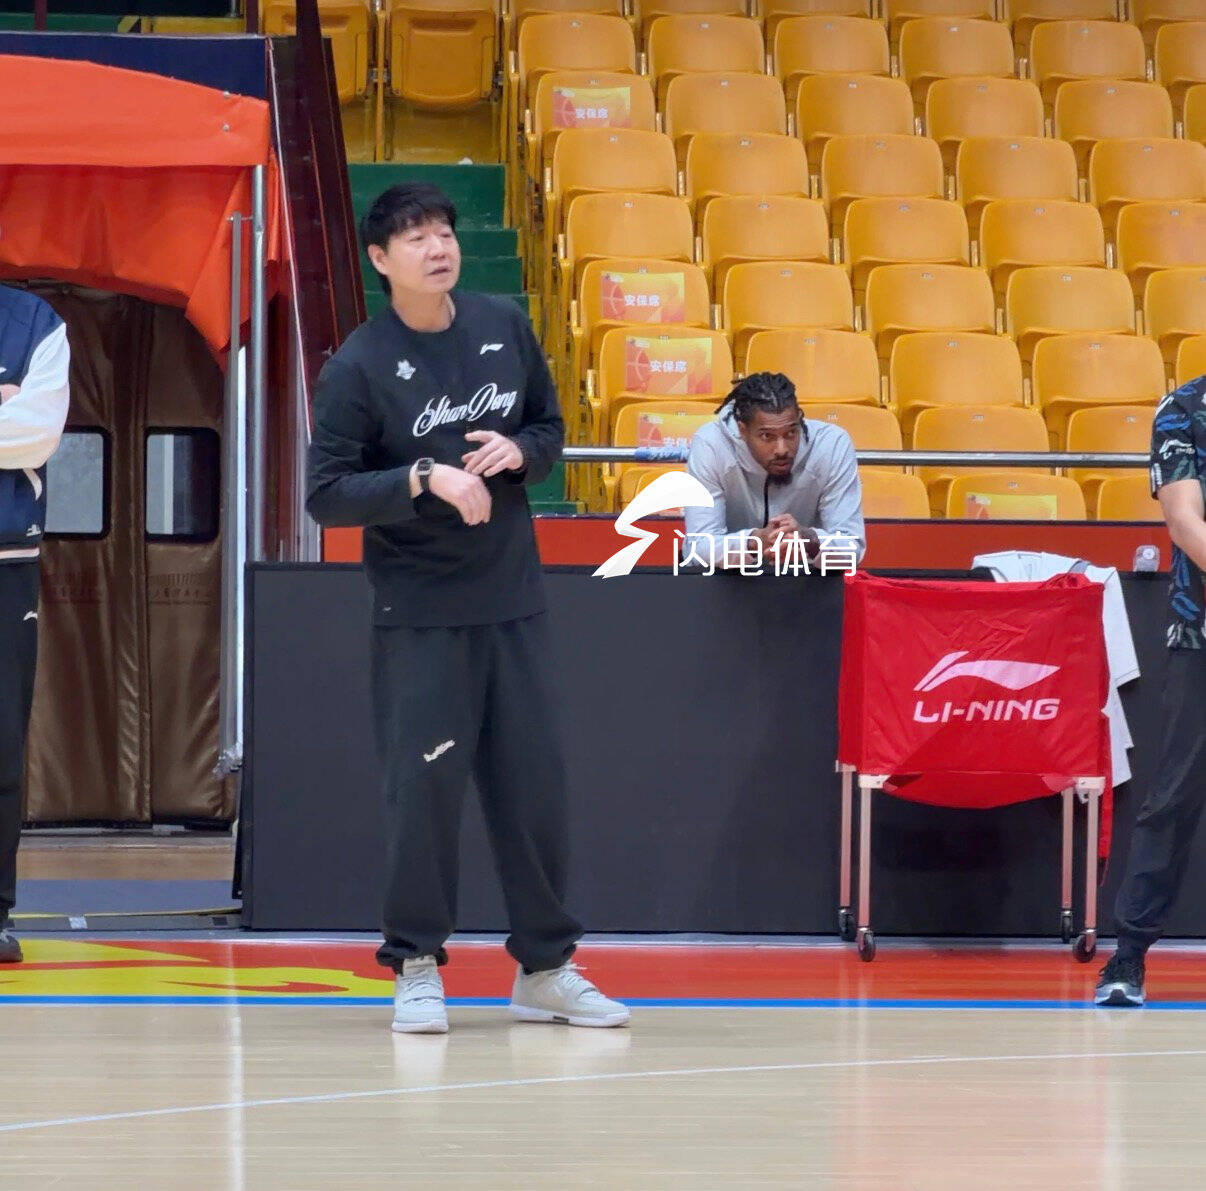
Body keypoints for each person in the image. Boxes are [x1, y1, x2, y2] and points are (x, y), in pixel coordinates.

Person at [306, 183, 628, 1033]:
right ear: (381, 260)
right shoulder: (358, 366)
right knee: (424, 794)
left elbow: (551, 432)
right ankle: (416, 962)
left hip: (513, 600)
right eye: (415, 236)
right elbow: (326, 495)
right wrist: (424, 477)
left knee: (535, 791)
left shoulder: (502, 326)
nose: (437, 245)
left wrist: (518, 451)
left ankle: (546, 967)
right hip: (418, 613)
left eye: (443, 230)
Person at [1096, 372, 1206, 1007]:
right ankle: (1128, 956)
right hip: (1200, 636)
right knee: (1173, 799)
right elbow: (1185, 521)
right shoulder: (1184, 409)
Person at [0, 285, 71, 964]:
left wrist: (18, 414)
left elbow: (38, 431)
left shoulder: (35, 323)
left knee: (1, 743)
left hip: (6, 563)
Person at [682, 371, 865, 569]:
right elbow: (698, 547)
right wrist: (753, 542)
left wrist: (810, 540)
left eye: (791, 433)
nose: (782, 449)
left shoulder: (832, 445)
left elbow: (852, 548)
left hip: (805, 577)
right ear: (743, 430)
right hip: (727, 580)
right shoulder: (711, 445)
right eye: (767, 436)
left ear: (799, 419)